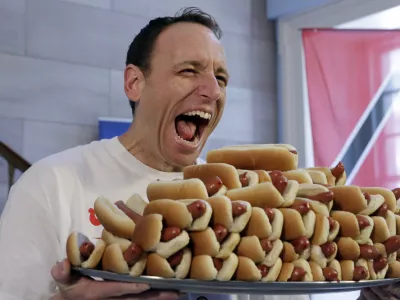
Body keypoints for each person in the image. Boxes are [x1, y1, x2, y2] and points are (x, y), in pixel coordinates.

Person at [0, 7, 395, 300]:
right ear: (135, 82)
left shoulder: (234, 198)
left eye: (220, 77)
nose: (212, 90)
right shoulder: (53, 183)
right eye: (189, 71)